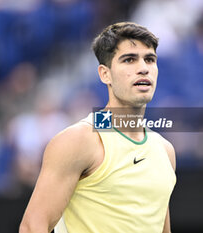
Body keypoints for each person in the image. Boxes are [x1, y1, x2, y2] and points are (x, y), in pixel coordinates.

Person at [19, 22, 176, 233]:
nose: (143, 68)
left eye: (149, 59)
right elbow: (32, 227)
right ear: (105, 74)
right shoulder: (79, 140)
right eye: (129, 59)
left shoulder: (165, 151)